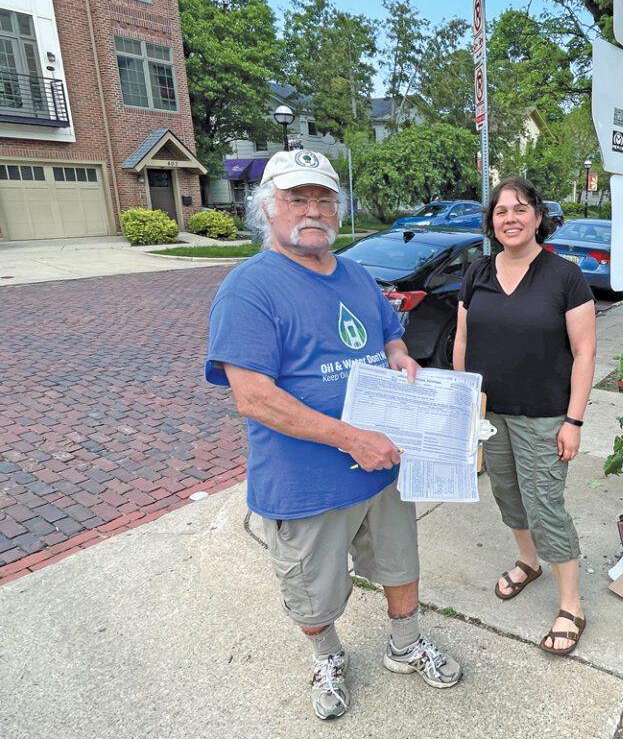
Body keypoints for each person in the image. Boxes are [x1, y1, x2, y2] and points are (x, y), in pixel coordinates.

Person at [204, 150, 461, 721]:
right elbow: (254, 397)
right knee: (312, 592)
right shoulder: (248, 289)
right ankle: (327, 657)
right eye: (297, 198)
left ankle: (404, 644)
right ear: (266, 209)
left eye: (323, 198)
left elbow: (391, 337)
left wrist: (401, 360)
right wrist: (351, 439)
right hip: (304, 483)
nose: (313, 209)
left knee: (399, 561)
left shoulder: (356, 275)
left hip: (383, 465)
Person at [453, 177, 597, 656]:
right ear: (491, 222)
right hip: (491, 414)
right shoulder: (475, 273)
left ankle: (572, 604)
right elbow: (462, 343)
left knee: (545, 503)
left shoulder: (564, 275)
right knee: (508, 495)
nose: (509, 218)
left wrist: (573, 421)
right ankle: (527, 560)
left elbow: (584, 352)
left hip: (544, 417)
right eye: (500, 211)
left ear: (538, 216)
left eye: (520, 209)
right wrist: (464, 406)